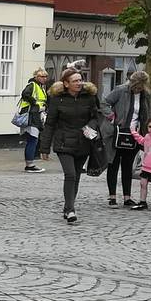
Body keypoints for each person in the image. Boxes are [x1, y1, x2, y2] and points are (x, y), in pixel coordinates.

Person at [39, 68, 102, 225]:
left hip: (83, 143)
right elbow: (50, 124)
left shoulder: (89, 97)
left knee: (77, 176)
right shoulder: (57, 99)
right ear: (66, 84)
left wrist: (90, 126)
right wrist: (44, 148)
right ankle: (70, 210)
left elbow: (96, 117)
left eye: (80, 80)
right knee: (70, 174)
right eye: (75, 81)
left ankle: (68, 207)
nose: (79, 83)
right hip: (63, 143)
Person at [101, 70, 149, 206]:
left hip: (134, 134)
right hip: (117, 133)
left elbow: (145, 114)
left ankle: (127, 197)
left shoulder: (145, 95)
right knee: (113, 164)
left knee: (128, 166)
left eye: (140, 86)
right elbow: (104, 103)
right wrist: (111, 116)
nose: (137, 88)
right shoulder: (121, 90)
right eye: (136, 85)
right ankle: (112, 197)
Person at [18, 68, 49, 172]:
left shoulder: (40, 87)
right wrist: (35, 103)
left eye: (46, 76)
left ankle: (30, 164)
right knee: (32, 140)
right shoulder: (32, 85)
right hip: (31, 116)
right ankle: (29, 165)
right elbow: (25, 94)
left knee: (33, 140)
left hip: (36, 116)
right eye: (42, 76)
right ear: (36, 77)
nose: (45, 78)